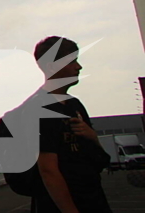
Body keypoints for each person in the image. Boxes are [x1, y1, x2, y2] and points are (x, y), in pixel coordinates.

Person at [32, 36, 111, 213]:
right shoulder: (39, 109)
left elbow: (100, 160)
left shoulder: (75, 106)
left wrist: (92, 136)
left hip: (94, 201)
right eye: (71, 61)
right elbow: (48, 170)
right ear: (52, 67)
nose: (79, 67)